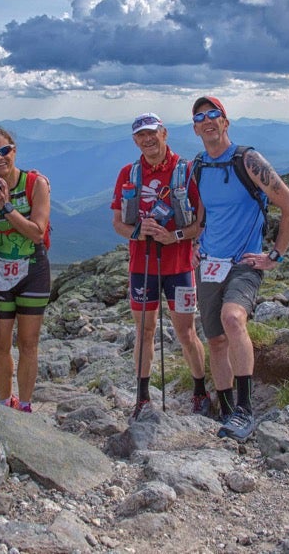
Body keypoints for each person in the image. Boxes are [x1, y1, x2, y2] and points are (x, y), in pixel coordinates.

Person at [190, 96, 289, 441]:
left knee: (233, 319)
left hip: (244, 262)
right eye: (200, 117)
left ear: (226, 122)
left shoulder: (248, 160)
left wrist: (274, 255)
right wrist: (194, 244)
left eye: (214, 115)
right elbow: (201, 217)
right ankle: (225, 410)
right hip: (208, 264)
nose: (208, 121)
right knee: (216, 341)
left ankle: (244, 410)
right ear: (195, 128)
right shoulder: (198, 166)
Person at [111, 112, 210, 421]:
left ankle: (199, 391)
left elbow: (200, 223)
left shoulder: (187, 172)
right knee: (144, 330)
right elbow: (117, 223)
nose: (148, 139)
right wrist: (139, 232)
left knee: (186, 331)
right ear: (135, 141)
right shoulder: (128, 173)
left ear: (164, 134)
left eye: (152, 132)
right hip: (141, 265)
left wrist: (173, 236)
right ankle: (142, 398)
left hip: (179, 266)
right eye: (141, 135)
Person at [0, 127, 51, 413]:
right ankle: (6, 403)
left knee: (28, 343)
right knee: (0, 344)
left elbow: (37, 232)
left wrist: (6, 206)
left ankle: (26, 404)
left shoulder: (35, 183)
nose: (0, 158)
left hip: (33, 270)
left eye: (5, 150)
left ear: (14, 150)